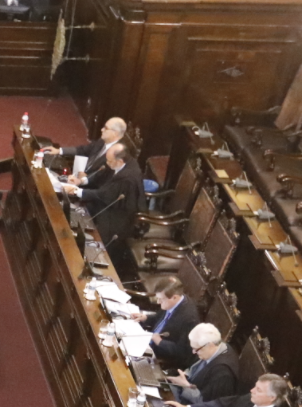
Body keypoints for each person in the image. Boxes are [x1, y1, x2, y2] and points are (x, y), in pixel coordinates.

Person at [62, 141, 142, 279]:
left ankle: (98, 275)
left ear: (120, 161)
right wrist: (82, 182)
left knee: (102, 247)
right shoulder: (120, 162)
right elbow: (102, 175)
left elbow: (105, 195)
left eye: (109, 160)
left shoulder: (127, 178)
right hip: (108, 203)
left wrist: (76, 191)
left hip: (118, 216)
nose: (107, 163)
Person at [168, 322, 239, 406]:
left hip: (190, 406)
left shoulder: (223, 373)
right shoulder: (216, 348)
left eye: (196, 349)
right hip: (184, 391)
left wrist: (185, 386)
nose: (193, 352)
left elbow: (206, 404)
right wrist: (184, 376)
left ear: (210, 345)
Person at [138, 277, 201, 368]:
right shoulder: (171, 302)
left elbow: (183, 352)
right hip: (148, 341)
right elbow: (159, 318)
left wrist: (160, 341)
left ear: (174, 297)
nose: (158, 302)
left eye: (161, 299)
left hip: (162, 357)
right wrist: (145, 318)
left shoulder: (189, 319)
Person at [39, 116, 126, 179]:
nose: (102, 129)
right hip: (80, 177)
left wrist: (86, 179)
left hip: (91, 187)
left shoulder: (117, 153)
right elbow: (83, 150)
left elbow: (106, 177)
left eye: (106, 128)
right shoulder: (101, 141)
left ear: (115, 133)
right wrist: (59, 150)